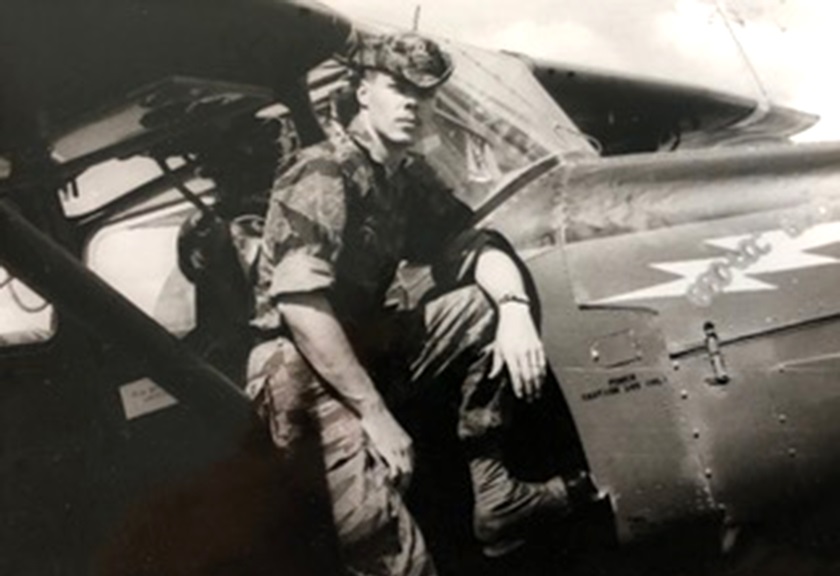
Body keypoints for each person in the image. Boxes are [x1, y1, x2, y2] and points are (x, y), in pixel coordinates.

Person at [246, 32, 591, 575]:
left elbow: (472, 246)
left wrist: (515, 309)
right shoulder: (322, 170)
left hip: (365, 344)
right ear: (363, 92)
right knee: (389, 553)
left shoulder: (404, 178)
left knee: (483, 305)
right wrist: (375, 414)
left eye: (425, 94)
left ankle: (496, 492)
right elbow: (299, 303)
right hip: (304, 367)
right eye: (397, 88)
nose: (412, 103)